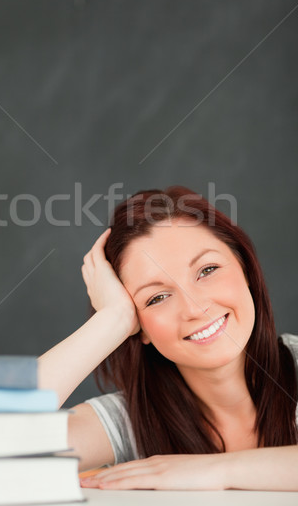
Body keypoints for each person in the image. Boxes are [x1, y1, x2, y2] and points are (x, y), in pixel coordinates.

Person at [38, 185, 298, 491]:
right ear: (140, 327)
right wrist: (112, 320)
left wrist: (214, 471)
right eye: (157, 297)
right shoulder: (134, 419)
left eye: (207, 270)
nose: (194, 308)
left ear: (246, 270)